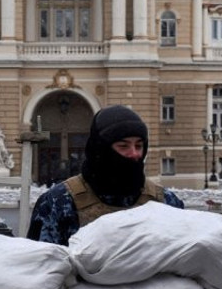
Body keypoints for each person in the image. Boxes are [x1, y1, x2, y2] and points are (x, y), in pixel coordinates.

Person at [27, 105, 183, 245]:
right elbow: (39, 264)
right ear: (101, 149)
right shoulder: (58, 204)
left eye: (139, 145)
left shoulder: (165, 202)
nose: (134, 154)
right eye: (123, 146)